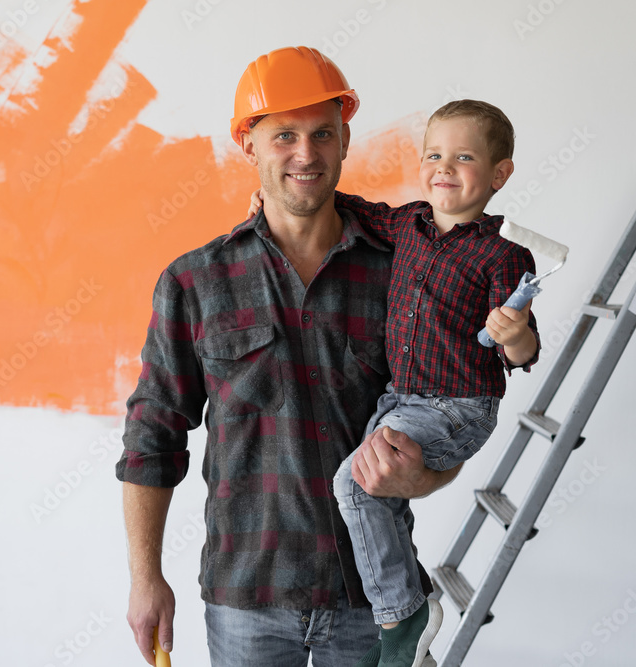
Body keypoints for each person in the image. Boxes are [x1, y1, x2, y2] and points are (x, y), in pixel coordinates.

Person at [117, 46, 462, 667]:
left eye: (322, 134)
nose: (306, 154)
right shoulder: (195, 282)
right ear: (248, 144)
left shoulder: (401, 276)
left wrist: (429, 477)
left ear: (345, 140)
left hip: (373, 603)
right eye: (284, 136)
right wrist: (146, 579)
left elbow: (445, 409)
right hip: (247, 598)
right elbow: (152, 434)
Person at [247, 99, 541, 665]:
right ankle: (413, 593)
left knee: (353, 483)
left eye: (463, 157)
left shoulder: (505, 257)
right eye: (434, 154)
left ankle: (401, 615)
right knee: (382, 495)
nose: (443, 167)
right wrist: (271, 197)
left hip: (458, 406)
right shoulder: (406, 223)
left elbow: (522, 356)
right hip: (400, 399)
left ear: (499, 174)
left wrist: (515, 331)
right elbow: (345, 206)